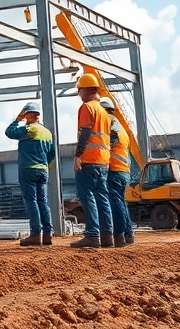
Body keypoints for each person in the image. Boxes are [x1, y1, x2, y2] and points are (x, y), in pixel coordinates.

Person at [71, 72, 114, 248]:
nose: (79, 94)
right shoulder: (104, 112)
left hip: (89, 159)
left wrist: (78, 155)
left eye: (79, 90)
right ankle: (107, 236)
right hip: (103, 160)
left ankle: (92, 235)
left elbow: (86, 133)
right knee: (102, 197)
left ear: (85, 90)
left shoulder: (87, 108)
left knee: (87, 196)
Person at [6, 101, 56, 246]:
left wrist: (17, 120)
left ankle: (35, 234)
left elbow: (9, 132)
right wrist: (46, 167)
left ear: (27, 114)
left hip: (28, 169)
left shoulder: (29, 129)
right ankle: (47, 234)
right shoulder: (47, 132)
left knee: (31, 201)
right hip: (43, 170)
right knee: (42, 201)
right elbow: (52, 154)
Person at [99, 97, 135, 247]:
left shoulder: (109, 122)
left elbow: (108, 145)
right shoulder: (121, 127)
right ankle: (128, 234)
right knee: (120, 201)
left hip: (114, 169)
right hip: (122, 170)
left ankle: (119, 235)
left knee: (115, 202)